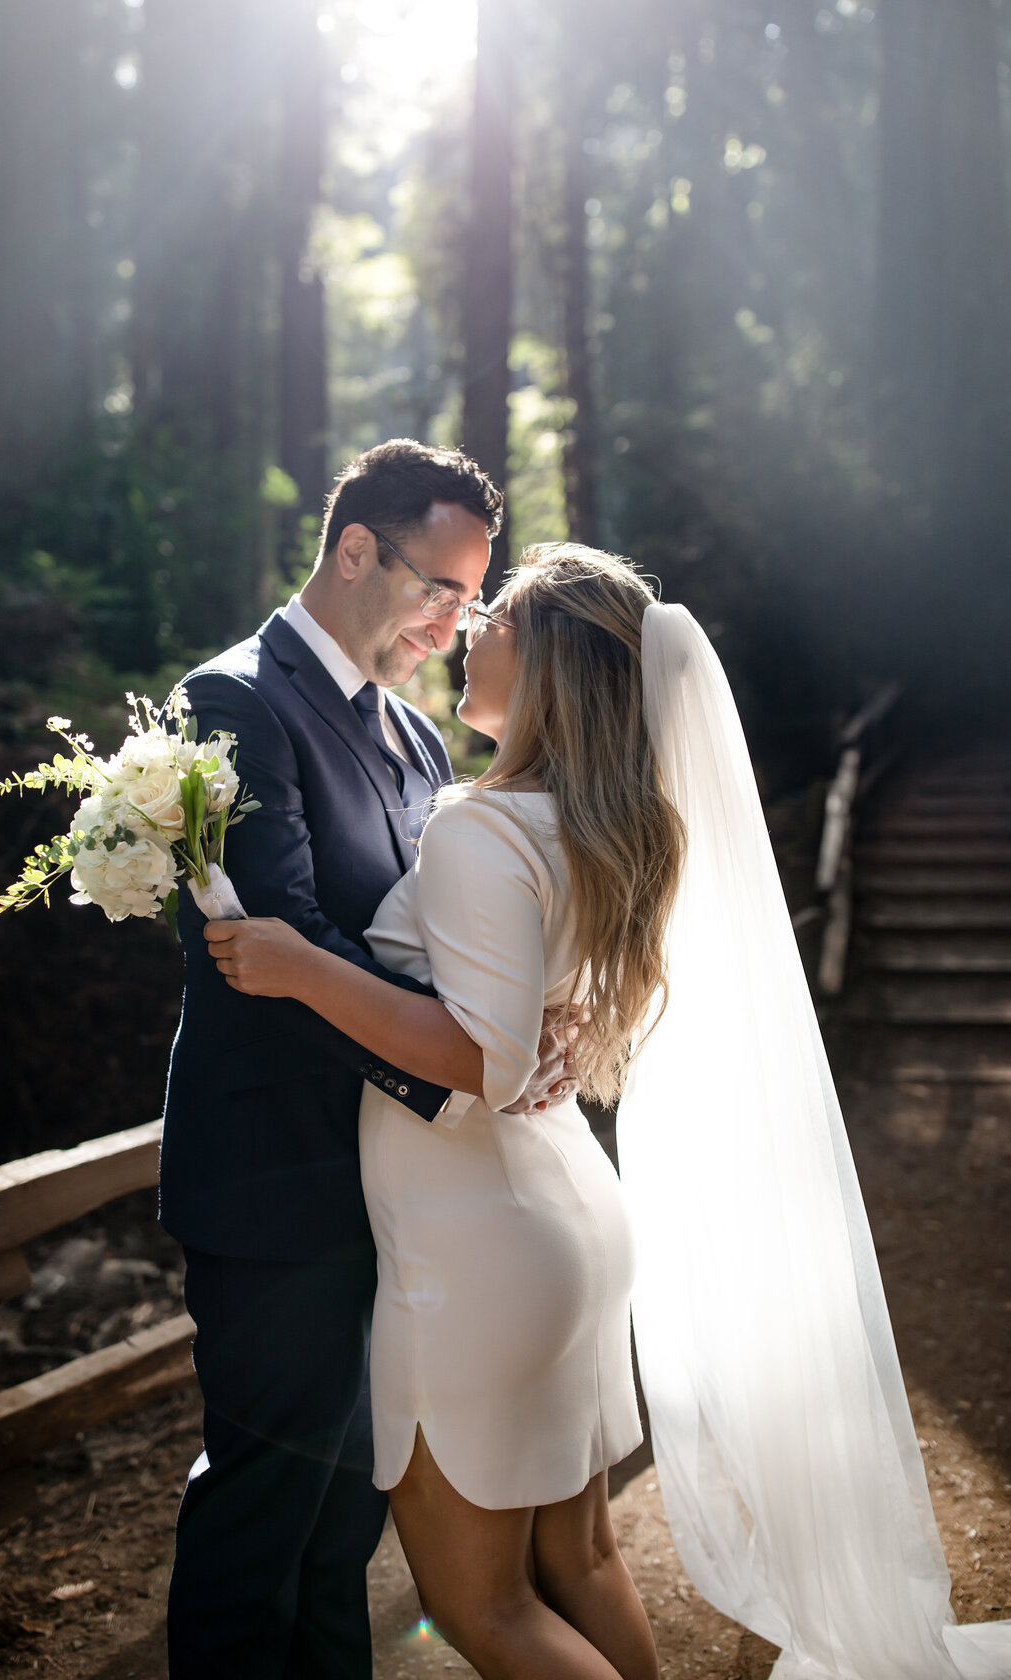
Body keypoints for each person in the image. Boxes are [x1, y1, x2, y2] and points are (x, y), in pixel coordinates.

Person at [206, 545, 1011, 1680]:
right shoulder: (595, 826)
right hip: (562, 1217)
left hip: (476, 1244)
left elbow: (484, 1061)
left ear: (544, 664)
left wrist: (299, 967)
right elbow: (529, 1027)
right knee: (576, 1560)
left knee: (480, 1603)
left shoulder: (483, 829)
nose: (471, 624)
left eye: (496, 615)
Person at [161, 440, 577, 1680]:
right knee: (263, 1512)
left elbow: (447, 934)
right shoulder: (233, 699)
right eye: (441, 591)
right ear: (356, 551)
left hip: (397, 1189)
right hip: (278, 1180)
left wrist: (524, 1026)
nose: (457, 628)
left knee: (344, 1525)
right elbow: (272, 940)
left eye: (470, 600)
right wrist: (463, 1061)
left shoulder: (413, 731)